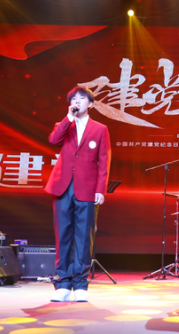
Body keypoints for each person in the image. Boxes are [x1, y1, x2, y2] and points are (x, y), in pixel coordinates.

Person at [45, 87, 111, 303]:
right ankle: (62, 283)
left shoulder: (100, 129)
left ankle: (81, 284)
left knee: (84, 237)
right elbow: (54, 140)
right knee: (62, 234)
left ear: (90, 104)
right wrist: (68, 118)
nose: (77, 101)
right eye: (74, 98)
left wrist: (100, 189)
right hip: (62, 187)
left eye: (82, 98)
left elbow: (104, 161)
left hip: (88, 188)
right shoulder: (64, 124)